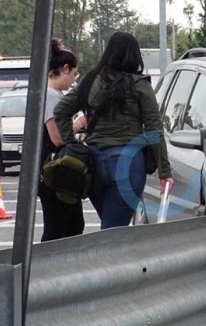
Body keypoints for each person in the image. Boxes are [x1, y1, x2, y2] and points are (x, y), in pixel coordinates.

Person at [54, 32, 173, 229]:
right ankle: (108, 259)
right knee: (113, 231)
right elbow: (154, 129)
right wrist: (164, 172)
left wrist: (71, 145)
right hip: (127, 163)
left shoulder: (90, 81)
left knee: (110, 226)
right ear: (135, 55)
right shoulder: (140, 86)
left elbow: (61, 111)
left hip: (94, 164)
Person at [39, 39, 85, 242]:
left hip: (50, 169)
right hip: (54, 170)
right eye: (74, 74)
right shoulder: (52, 97)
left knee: (70, 223)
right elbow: (57, 137)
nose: (73, 81)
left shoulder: (49, 94)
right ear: (65, 69)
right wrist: (78, 124)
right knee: (58, 227)